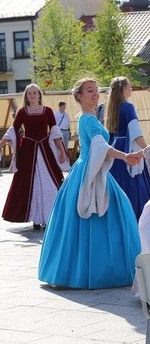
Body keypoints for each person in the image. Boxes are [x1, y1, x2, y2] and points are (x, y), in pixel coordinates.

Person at [38, 78, 142, 289]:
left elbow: (100, 146)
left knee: (93, 217)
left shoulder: (91, 119)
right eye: (89, 91)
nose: (95, 94)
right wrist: (125, 156)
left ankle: (78, 269)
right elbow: (100, 146)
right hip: (88, 172)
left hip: (89, 170)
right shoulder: (88, 120)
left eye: (96, 90)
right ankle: (101, 270)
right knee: (101, 216)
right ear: (79, 96)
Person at [0, 84, 66, 230]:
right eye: (29, 93)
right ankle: (36, 218)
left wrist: (62, 151)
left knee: (50, 182)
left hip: (45, 150)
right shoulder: (22, 112)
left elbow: (55, 132)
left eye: (34, 93)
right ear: (26, 96)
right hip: (28, 152)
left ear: (39, 95)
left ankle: (49, 216)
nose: (32, 95)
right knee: (30, 184)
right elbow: (12, 132)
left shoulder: (48, 111)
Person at [104, 76, 150, 220]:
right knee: (135, 188)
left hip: (115, 150)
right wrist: (147, 149)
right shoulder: (128, 107)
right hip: (128, 149)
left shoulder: (110, 108)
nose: (131, 89)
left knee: (117, 185)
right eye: (129, 86)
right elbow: (135, 132)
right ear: (124, 89)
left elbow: (109, 135)